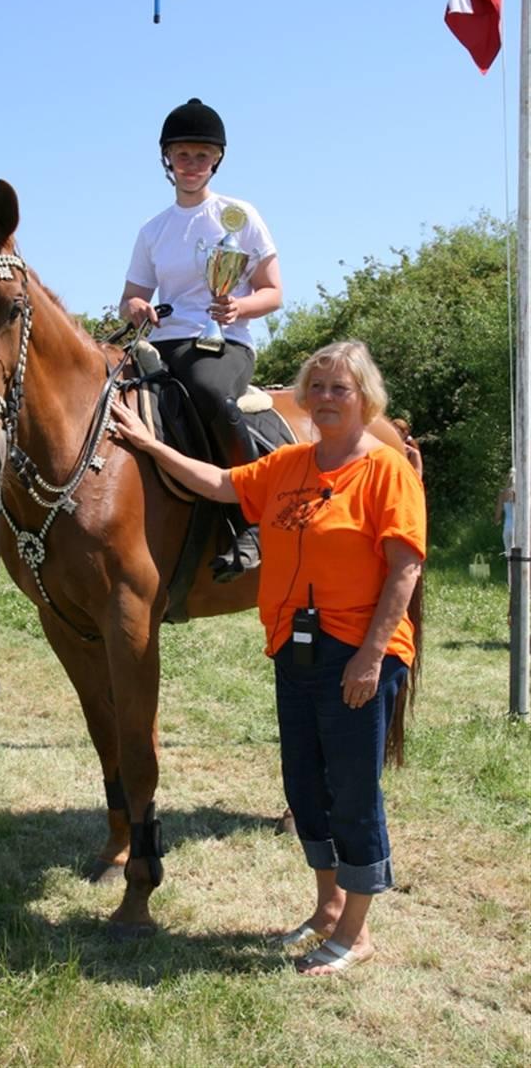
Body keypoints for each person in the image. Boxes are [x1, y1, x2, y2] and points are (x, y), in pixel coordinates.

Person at [112, 339, 426, 976]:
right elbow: (221, 483)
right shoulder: (288, 464)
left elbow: (405, 569)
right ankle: (326, 910)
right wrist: (150, 446)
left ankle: (356, 935)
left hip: (357, 653)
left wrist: (370, 656)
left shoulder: (386, 472)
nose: (328, 399)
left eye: (342, 389)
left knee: (352, 791)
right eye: (319, 387)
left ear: (367, 399)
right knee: (306, 786)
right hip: (296, 648)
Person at [118, 97, 283, 582]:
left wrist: (239, 306)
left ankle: (251, 519)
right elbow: (130, 297)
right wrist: (136, 309)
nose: (192, 164)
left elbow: (274, 292)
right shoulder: (153, 230)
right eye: (183, 155)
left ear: (217, 160)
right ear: (167, 159)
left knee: (208, 390)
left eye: (202, 155)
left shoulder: (240, 215)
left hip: (224, 341)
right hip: (164, 341)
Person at [494, 469, 515, 588]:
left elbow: (497, 514)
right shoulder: (524, 494)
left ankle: (511, 584)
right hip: (521, 529)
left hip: (507, 528)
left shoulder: (503, 494)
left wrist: (496, 521)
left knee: (509, 557)